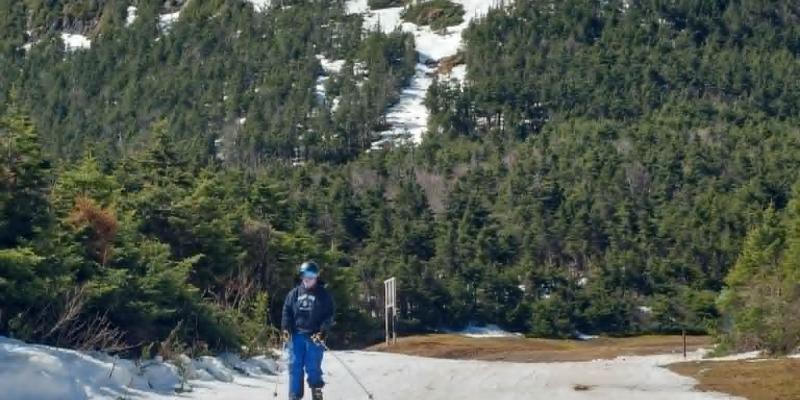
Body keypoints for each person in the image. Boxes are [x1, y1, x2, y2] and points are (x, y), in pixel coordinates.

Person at [281, 261, 335, 400]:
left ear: (316, 277)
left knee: (313, 365)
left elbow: (328, 315)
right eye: (305, 275)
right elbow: (287, 311)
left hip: (314, 336)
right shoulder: (294, 293)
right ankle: (294, 395)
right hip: (297, 334)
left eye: (311, 275)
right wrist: (286, 328)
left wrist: (323, 331)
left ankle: (316, 390)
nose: (308, 278)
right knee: (295, 365)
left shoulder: (323, 295)